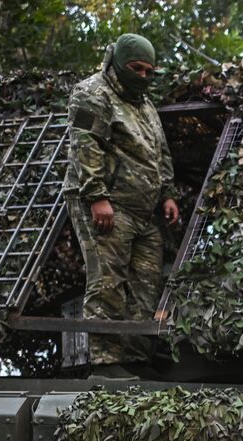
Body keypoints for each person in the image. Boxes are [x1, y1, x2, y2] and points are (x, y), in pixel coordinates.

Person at [63, 32, 179, 371]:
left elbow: (160, 152)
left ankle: (136, 356)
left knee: (146, 284)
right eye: (136, 68)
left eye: (149, 72)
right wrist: (97, 197)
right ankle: (105, 362)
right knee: (107, 280)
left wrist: (168, 194)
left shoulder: (145, 105)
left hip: (144, 210)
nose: (143, 76)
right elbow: (85, 145)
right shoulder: (91, 94)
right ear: (118, 63)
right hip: (107, 205)